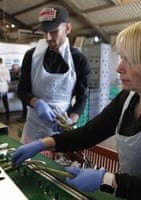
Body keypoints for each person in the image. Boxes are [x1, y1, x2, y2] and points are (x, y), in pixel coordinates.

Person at [12, 17, 141, 199]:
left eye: (131, 60)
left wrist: (107, 181)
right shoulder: (130, 96)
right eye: (121, 57)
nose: (119, 68)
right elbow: (90, 132)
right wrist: (44, 143)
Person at [17, 6, 91, 143]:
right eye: (45, 32)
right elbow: (22, 90)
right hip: (34, 128)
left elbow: (81, 98)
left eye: (54, 31)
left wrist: (70, 121)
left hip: (60, 129)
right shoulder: (32, 56)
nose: (48, 37)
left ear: (67, 28)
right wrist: (37, 102)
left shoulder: (79, 61)